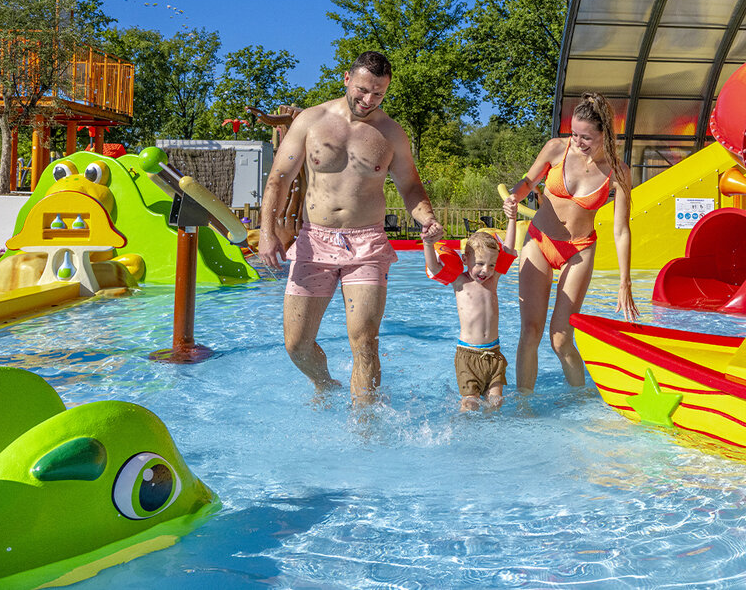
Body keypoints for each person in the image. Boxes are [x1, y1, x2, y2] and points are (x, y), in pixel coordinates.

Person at [258, 51, 443, 402]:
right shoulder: (311, 121)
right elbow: (279, 179)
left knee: (364, 341)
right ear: (346, 79)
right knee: (297, 345)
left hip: (367, 243)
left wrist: (427, 217)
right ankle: (325, 384)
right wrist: (267, 232)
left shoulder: (390, 133)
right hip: (315, 240)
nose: (368, 100)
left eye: (378, 93)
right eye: (362, 90)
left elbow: (410, 186)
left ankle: (365, 430)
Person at [502, 92, 637, 392]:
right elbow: (527, 183)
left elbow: (621, 230)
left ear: (605, 134)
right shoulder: (555, 149)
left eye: (586, 137)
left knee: (560, 337)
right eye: (574, 133)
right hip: (539, 240)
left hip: (578, 250)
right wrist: (514, 196)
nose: (577, 141)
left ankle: (581, 398)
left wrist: (624, 281)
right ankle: (524, 407)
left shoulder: (618, 171)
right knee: (530, 329)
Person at [423, 216, 519, 411]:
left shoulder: (494, 280)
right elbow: (434, 267)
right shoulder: (459, 281)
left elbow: (508, 250)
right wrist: (428, 244)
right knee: (470, 403)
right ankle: (464, 436)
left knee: (496, 402)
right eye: (480, 264)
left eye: (492, 265)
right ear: (465, 259)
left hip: (494, 353)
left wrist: (511, 218)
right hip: (468, 355)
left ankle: (491, 438)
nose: (486, 270)